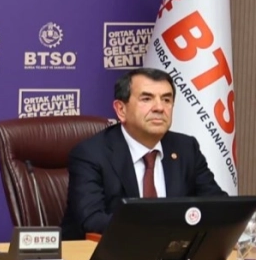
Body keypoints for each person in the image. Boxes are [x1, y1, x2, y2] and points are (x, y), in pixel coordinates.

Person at [61, 66, 225, 239]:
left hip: (172, 251)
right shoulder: (91, 153)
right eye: (146, 99)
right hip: (105, 251)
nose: (159, 108)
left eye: (166, 99)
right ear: (121, 110)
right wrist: (162, 229)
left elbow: (218, 205)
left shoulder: (186, 148)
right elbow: (91, 220)